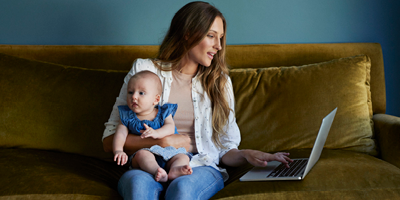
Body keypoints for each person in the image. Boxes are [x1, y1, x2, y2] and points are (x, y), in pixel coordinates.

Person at [102, 1, 293, 199]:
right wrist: (165, 140)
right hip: (148, 162)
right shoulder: (144, 71)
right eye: (211, 36)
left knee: (183, 189)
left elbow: (224, 150)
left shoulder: (220, 83)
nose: (218, 46)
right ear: (188, 34)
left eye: (220, 38)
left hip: (199, 166)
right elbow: (109, 141)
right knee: (137, 187)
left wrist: (245, 154)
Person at [113, 70, 192, 183]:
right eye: (130, 92)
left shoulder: (164, 112)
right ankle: (157, 171)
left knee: (182, 157)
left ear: (156, 99)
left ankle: (175, 169)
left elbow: (170, 127)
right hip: (145, 153)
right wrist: (118, 150)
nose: (134, 97)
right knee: (142, 155)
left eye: (141, 93)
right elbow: (120, 134)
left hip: (169, 152)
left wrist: (157, 133)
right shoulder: (127, 116)